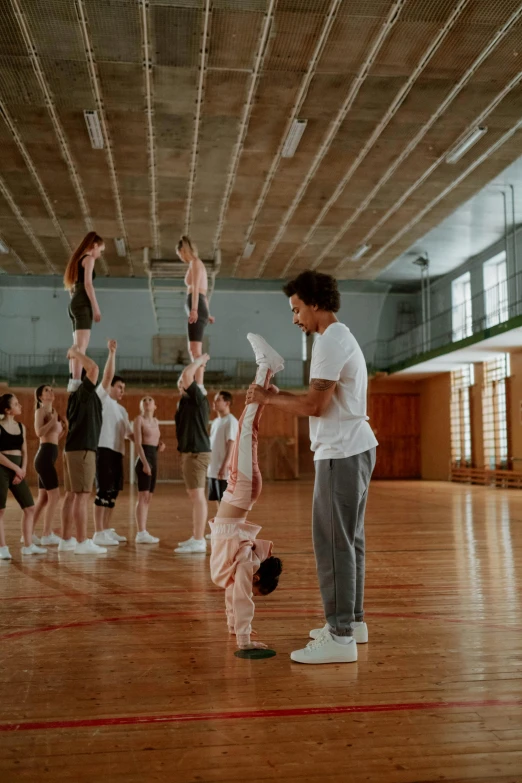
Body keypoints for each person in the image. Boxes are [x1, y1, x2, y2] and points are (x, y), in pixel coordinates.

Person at [246, 270, 378, 665]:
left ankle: (339, 639)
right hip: (354, 448)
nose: (294, 318)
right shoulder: (341, 337)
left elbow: (315, 406)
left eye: (297, 309)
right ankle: (351, 624)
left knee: (334, 544)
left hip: (340, 453)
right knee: (349, 541)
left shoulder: (329, 341)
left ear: (315, 303)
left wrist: (269, 398)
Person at [209, 333, 283, 650]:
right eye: (256, 589)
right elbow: (242, 597)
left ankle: (267, 385)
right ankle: (266, 368)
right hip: (240, 494)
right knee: (245, 428)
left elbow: (232, 596)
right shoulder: (244, 569)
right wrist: (243, 636)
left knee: (247, 431)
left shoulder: (238, 569)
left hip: (244, 494)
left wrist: (231, 627)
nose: (250, 592)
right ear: (255, 578)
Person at [60, 345, 106, 555]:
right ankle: (81, 542)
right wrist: (75, 352)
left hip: (73, 450)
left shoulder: (80, 396)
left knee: (71, 495)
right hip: (82, 451)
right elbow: (94, 368)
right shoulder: (82, 393)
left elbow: (101, 375)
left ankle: (66, 539)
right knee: (82, 495)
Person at [92, 340, 132, 548]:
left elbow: (131, 434)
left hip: (118, 453)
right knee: (103, 491)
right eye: (119, 387)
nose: (121, 390)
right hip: (103, 450)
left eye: (124, 388)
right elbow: (107, 376)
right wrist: (112, 353)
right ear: (110, 388)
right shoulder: (103, 399)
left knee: (112, 493)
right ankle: (98, 531)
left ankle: (106, 529)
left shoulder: (122, 410)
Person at [174, 354, 212, 554]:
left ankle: (199, 540)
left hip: (197, 453)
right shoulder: (185, 402)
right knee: (194, 496)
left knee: (197, 496)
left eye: (184, 382)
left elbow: (188, 375)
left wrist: (199, 360)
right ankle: (196, 536)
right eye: (179, 383)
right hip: (190, 453)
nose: (182, 383)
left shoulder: (199, 399)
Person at [0, 393, 43, 559]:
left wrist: (22, 470)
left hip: (18, 470)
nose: (20, 406)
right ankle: (2, 548)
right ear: (8, 410)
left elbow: (25, 451)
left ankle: (28, 546)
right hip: (2, 470)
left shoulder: (21, 427)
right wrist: (15, 469)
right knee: (1, 511)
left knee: (29, 508)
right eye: (16, 404)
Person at [63, 231, 104, 391]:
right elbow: (88, 284)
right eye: (100, 250)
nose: (99, 255)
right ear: (94, 246)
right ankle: (76, 382)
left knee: (77, 346)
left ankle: (74, 380)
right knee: (81, 347)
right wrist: (96, 308)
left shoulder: (77, 259)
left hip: (74, 302)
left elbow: (73, 287)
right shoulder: (89, 259)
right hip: (82, 303)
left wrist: (75, 301)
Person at [177, 235, 215, 387]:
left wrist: (194, 310)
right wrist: (208, 313)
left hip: (197, 306)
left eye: (179, 254)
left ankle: (199, 384)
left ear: (182, 250)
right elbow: (202, 293)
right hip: (200, 306)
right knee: (194, 349)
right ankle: (199, 383)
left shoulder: (195, 263)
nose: (180, 257)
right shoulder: (195, 264)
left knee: (194, 350)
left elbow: (196, 289)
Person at [32, 385, 66, 546]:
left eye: (52, 389)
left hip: (50, 455)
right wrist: (53, 420)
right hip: (44, 457)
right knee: (55, 496)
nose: (51, 391)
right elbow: (39, 433)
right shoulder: (41, 412)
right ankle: (46, 534)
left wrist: (64, 428)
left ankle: (28, 533)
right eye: (47, 390)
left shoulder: (54, 413)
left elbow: (54, 438)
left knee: (43, 498)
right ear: (40, 397)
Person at [134, 396, 165, 544]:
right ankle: (141, 533)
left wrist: (160, 445)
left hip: (154, 458)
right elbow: (138, 444)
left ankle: (144, 531)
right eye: (144, 400)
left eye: (150, 400)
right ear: (141, 405)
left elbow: (154, 440)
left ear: (155, 406)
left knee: (149, 498)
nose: (147, 401)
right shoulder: (139, 420)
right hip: (144, 459)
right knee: (143, 496)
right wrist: (145, 463)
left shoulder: (156, 421)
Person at [207, 390, 238, 520]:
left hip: (223, 469)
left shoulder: (231, 421)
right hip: (213, 468)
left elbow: (231, 444)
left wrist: (224, 466)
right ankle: (221, 528)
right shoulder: (215, 421)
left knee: (225, 501)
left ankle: (228, 530)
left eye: (218, 400)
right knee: (218, 500)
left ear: (227, 403)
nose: (214, 403)